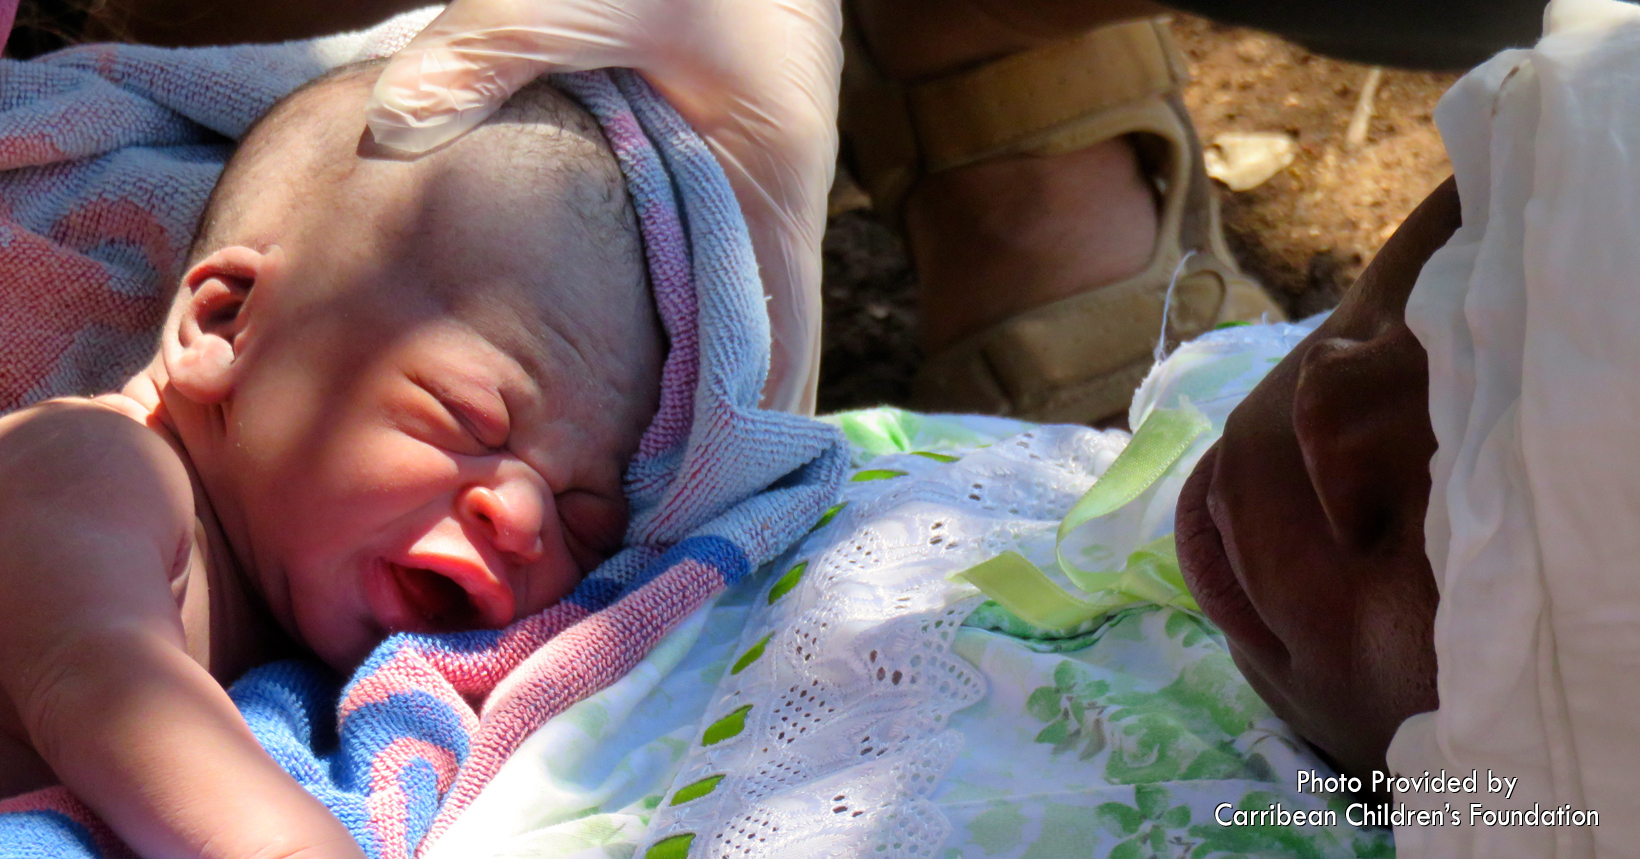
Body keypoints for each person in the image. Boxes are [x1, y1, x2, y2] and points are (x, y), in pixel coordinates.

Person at [0, 61, 661, 859]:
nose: (522, 516)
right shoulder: (88, 468)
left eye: (581, 512)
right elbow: (103, 682)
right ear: (226, 326)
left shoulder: (289, 616)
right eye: (470, 418)